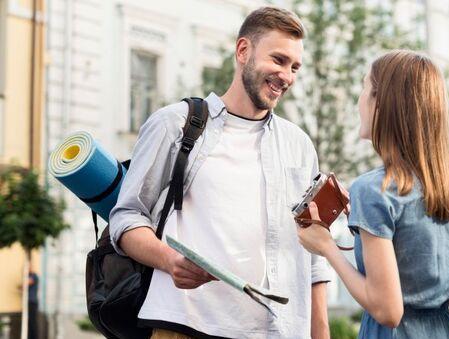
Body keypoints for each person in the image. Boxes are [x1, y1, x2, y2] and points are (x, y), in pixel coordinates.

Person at [109, 7, 330, 339]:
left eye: (294, 67)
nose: (286, 75)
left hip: (278, 330)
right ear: (243, 51)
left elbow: (314, 251)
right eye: (278, 60)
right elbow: (126, 218)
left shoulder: (299, 145)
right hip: (184, 325)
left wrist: (321, 333)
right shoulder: (175, 125)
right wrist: (169, 260)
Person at [297, 50, 449, 338]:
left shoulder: (374, 190)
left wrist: (326, 247)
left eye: (364, 88)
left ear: (382, 103)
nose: (359, 101)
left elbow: (388, 312)